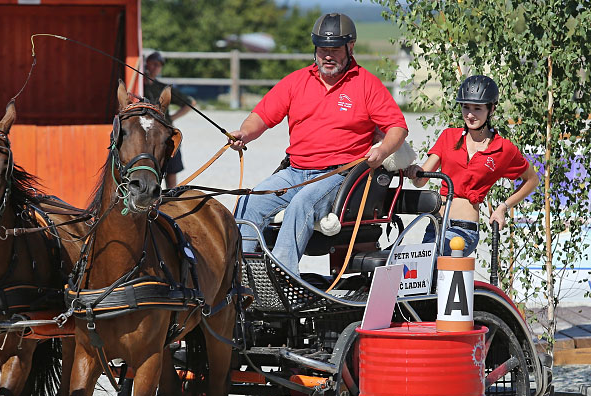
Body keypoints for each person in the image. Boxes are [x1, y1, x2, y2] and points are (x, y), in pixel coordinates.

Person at [229, 13, 408, 274]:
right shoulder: (296, 81)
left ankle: (281, 274)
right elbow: (262, 117)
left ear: (350, 47)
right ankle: (242, 274)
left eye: (334, 49)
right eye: (323, 48)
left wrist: (381, 151)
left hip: (339, 175)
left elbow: (398, 128)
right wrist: (244, 134)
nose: (327, 55)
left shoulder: (366, 84)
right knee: (250, 202)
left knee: (302, 204)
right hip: (294, 172)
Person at [406, 74, 540, 256]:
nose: (469, 114)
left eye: (477, 108)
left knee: (433, 267)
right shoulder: (448, 136)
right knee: (413, 271)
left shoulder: (503, 148)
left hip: (464, 230)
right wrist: (415, 172)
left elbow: (532, 180)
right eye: (465, 107)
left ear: (491, 109)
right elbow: (421, 180)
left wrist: (503, 207)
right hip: (436, 226)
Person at [144, 51, 197, 189]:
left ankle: (172, 201)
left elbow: (190, 102)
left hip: (165, 131)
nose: (156, 67)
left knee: (171, 173)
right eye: (153, 64)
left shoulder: (163, 88)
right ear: (146, 64)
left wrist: (172, 117)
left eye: (159, 65)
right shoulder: (138, 86)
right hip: (147, 133)